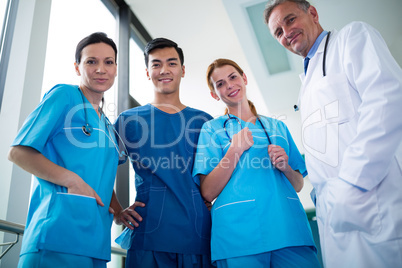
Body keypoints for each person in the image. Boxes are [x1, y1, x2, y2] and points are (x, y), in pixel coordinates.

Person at [264, 1, 402, 267]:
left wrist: (350, 184)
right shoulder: (307, 81)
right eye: (278, 32)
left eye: (290, 20)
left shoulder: (351, 38)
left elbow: (387, 101)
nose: (286, 32)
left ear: (313, 13)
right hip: (334, 214)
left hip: (371, 201)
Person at [192, 58, 320, 268]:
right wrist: (234, 150)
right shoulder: (212, 129)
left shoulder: (278, 127)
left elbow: (297, 184)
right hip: (238, 235)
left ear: (244, 78)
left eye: (233, 77)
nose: (230, 85)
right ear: (215, 94)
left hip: (287, 229)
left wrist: (285, 167)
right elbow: (207, 192)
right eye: (220, 84)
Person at [8, 32, 120, 267]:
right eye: (91, 61)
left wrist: (118, 209)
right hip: (57, 232)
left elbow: (98, 174)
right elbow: (18, 152)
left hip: (96, 240)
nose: (101, 69)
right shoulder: (65, 96)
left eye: (108, 62)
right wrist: (73, 181)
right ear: (78, 67)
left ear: (116, 68)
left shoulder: (108, 126)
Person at [110, 38, 214, 267]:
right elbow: (100, 170)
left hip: (198, 236)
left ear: (183, 70)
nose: (164, 70)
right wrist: (117, 210)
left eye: (172, 63)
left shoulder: (205, 122)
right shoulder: (129, 121)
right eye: (156, 64)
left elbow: (218, 178)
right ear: (148, 72)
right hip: (149, 235)